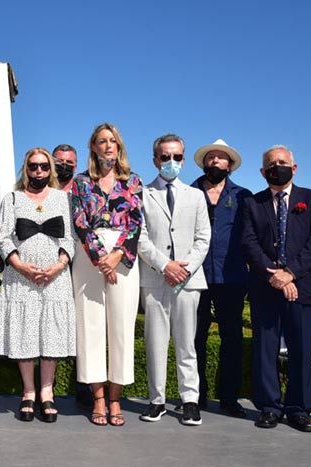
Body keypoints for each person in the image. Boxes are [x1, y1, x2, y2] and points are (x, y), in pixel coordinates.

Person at [241, 145, 311, 433]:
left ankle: (299, 409)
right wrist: (274, 277)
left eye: (282, 162)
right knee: (265, 349)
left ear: (294, 167)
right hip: (266, 287)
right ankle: (269, 407)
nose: (276, 166)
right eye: (271, 163)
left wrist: (290, 274)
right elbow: (250, 243)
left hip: (303, 287)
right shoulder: (252, 203)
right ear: (262, 171)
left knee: (302, 351)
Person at [0, 148, 76, 423]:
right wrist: (21, 266)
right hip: (21, 278)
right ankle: (28, 392)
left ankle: (47, 391)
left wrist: (58, 266)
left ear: (50, 169)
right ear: (25, 169)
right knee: (25, 332)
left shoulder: (64, 199)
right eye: (33, 166)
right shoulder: (12, 198)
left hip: (55, 278)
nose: (38, 171)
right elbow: (4, 237)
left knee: (50, 333)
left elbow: (70, 238)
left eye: (43, 166)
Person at [70, 123, 143, 427]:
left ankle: (115, 399)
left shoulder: (133, 181)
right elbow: (79, 221)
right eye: (102, 141)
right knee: (90, 327)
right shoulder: (80, 182)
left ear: (119, 146)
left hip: (123, 258)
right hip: (90, 258)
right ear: (94, 147)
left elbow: (136, 223)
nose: (108, 146)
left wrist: (116, 256)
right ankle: (97, 398)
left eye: (112, 141)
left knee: (121, 329)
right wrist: (101, 257)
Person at [137, 133, 210, 426]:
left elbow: (203, 238)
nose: (171, 161)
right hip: (155, 279)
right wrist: (165, 265)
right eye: (165, 156)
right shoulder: (142, 194)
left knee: (186, 343)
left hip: (189, 280)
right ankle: (157, 401)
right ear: (155, 159)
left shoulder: (196, 195)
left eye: (177, 156)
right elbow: (139, 237)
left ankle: (190, 400)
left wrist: (186, 267)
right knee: (155, 342)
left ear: (183, 158)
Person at [190, 139, 252, 418]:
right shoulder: (188, 193)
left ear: (230, 165)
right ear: (204, 162)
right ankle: (196, 396)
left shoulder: (243, 196)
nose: (215, 161)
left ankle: (229, 399)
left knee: (232, 339)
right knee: (194, 338)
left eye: (221, 158)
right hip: (195, 275)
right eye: (211, 157)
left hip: (232, 277)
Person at [52, 143, 91, 409]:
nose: (65, 165)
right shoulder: (41, 188)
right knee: (51, 326)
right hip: (50, 265)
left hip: (80, 263)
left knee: (83, 326)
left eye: (70, 162)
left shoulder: (82, 189)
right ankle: (47, 390)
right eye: (60, 160)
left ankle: (85, 389)